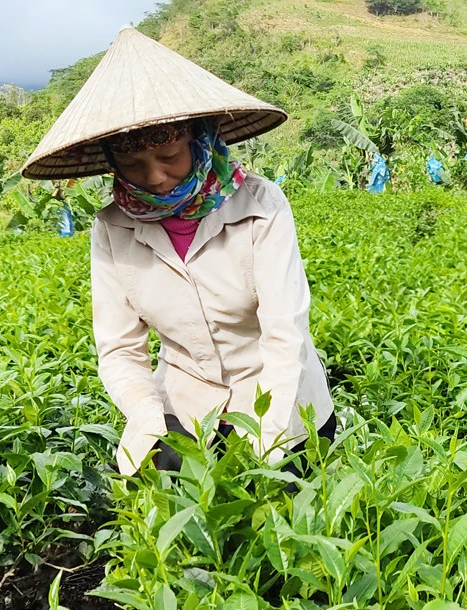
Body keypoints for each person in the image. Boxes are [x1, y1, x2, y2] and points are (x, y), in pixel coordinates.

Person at [22, 27, 334, 477]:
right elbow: (120, 350)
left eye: (170, 155)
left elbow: (285, 336)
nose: (154, 177)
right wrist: (153, 425)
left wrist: (264, 446)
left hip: (282, 405)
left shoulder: (261, 206)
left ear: (200, 140)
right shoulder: (112, 228)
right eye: (131, 164)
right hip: (186, 408)